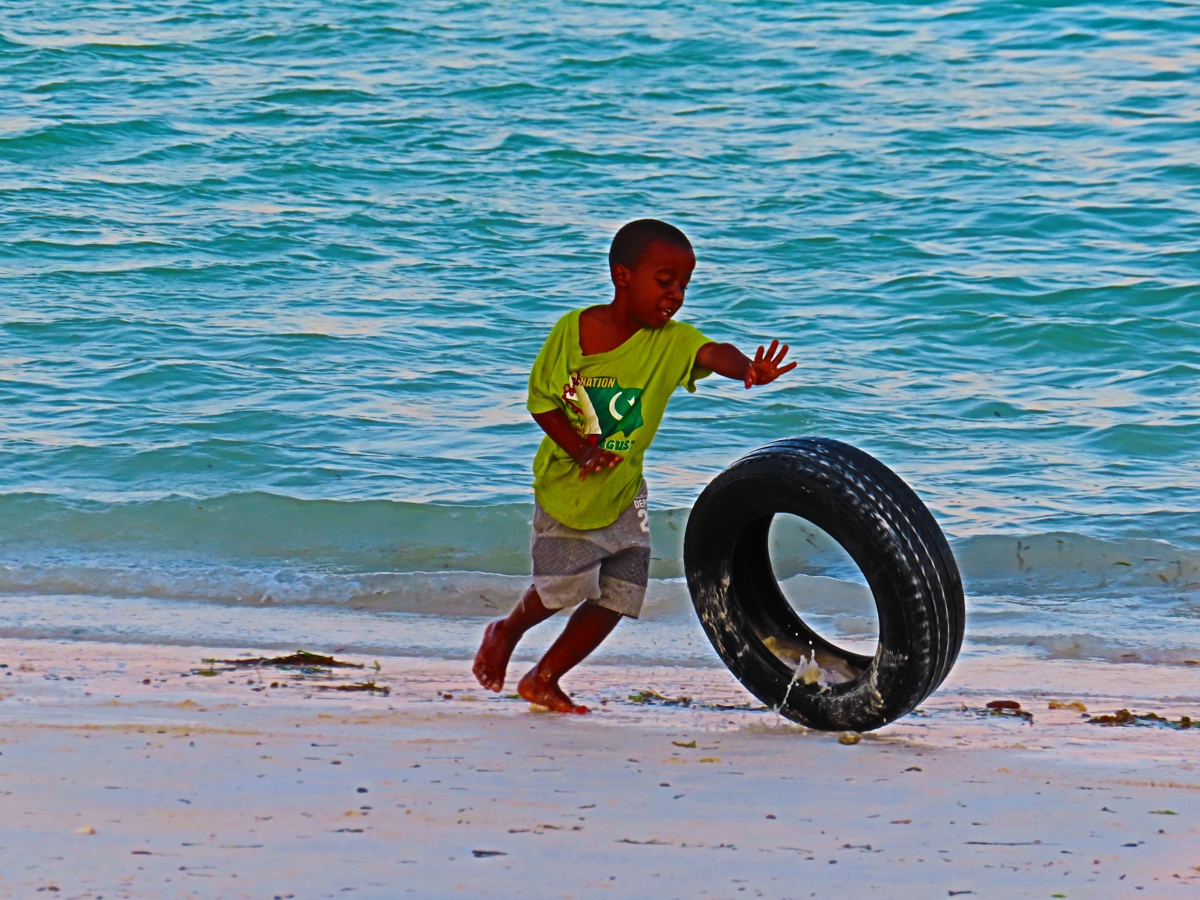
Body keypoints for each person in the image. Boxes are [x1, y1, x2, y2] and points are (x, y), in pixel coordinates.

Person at [472, 218, 796, 713]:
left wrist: (746, 368)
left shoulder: (671, 342)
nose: (676, 295)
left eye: (685, 285)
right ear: (622, 276)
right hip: (568, 485)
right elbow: (542, 400)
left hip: (626, 489)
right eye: (664, 281)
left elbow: (712, 351)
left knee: (620, 594)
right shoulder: (575, 331)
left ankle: (544, 677)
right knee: (561, 590)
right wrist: (581, 450)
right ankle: (506, 629)